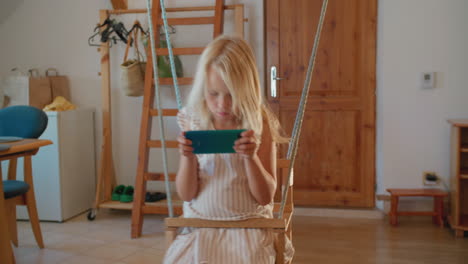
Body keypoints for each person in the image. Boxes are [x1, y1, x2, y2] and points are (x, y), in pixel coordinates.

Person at [163, 35, 293, 263]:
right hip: (201, 227)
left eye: (231, 95)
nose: (222, 104)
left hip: (248, 227)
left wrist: (250, 158)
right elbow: (186, 194)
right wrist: (188, 157)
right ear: (203, 88)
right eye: (213, 94)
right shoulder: (192, 119)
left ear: (246, 89)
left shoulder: (258, 123)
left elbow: (264, 197)